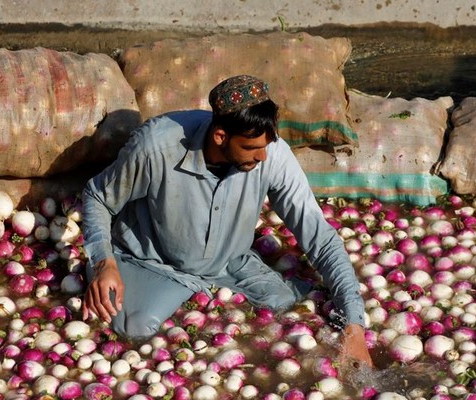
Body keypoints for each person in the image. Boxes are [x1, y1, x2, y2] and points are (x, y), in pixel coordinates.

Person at [82, 75, 372, 366]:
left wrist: (354, 327)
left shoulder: (271, 154)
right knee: (137, 328)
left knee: (287, 305)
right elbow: (97, 197)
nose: (262, 157)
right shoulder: (156, 148)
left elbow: (320, 237)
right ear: (220, 136)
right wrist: (103, 263)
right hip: (151, 260)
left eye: (266, 145)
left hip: (227, 261)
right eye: (250, 148)